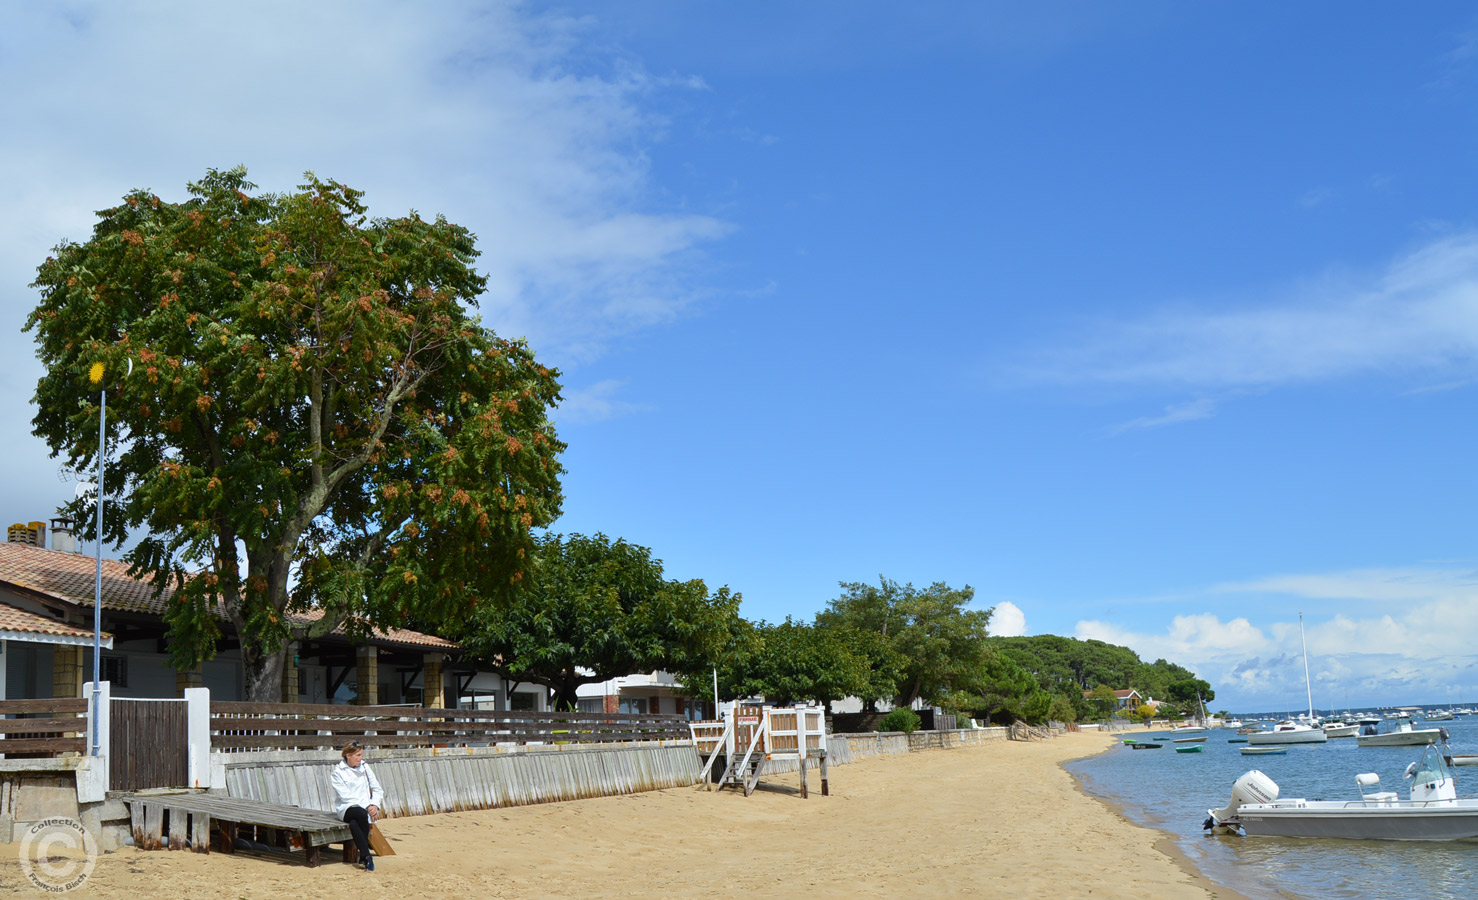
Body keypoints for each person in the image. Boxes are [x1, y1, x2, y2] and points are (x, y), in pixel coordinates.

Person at [331, 740, 385, 871]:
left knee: (355, 823)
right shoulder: (338, 772)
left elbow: (377, 789)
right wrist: (367, 806)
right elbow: (346, 797)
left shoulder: (365, 768)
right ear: (348, 755)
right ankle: (366, 855)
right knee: (360, 813)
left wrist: (374, 805)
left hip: (364, 809)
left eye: (361, 755)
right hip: (347, 808)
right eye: (358, 755)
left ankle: (365, 856)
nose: (361, 758)